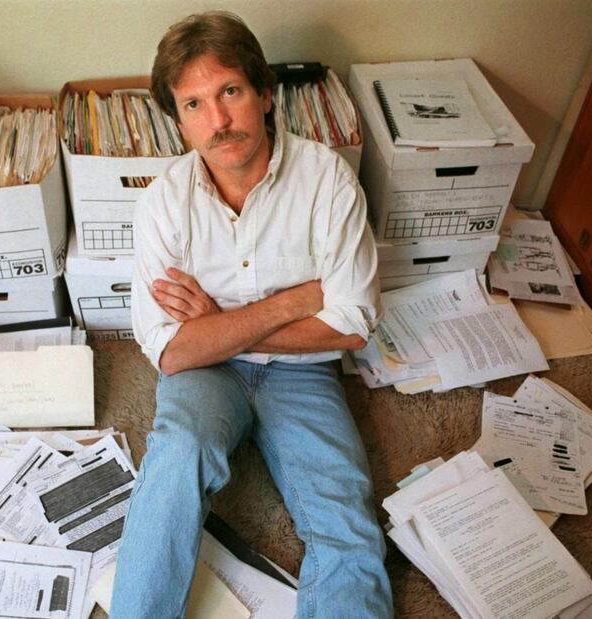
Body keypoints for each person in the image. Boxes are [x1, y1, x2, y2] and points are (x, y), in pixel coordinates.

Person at [110, 11, 392, 618]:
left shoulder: (328, 181)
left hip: (303, 375)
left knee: (347, 521)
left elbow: (352, 324)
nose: (218, 121)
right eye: (194, 105)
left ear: (265, 93)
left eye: (230, 92)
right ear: (179, 121)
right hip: (205, 375)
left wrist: (217, 324)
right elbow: (171, 351)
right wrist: (291, 302)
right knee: (176, 458)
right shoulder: (162, 203)